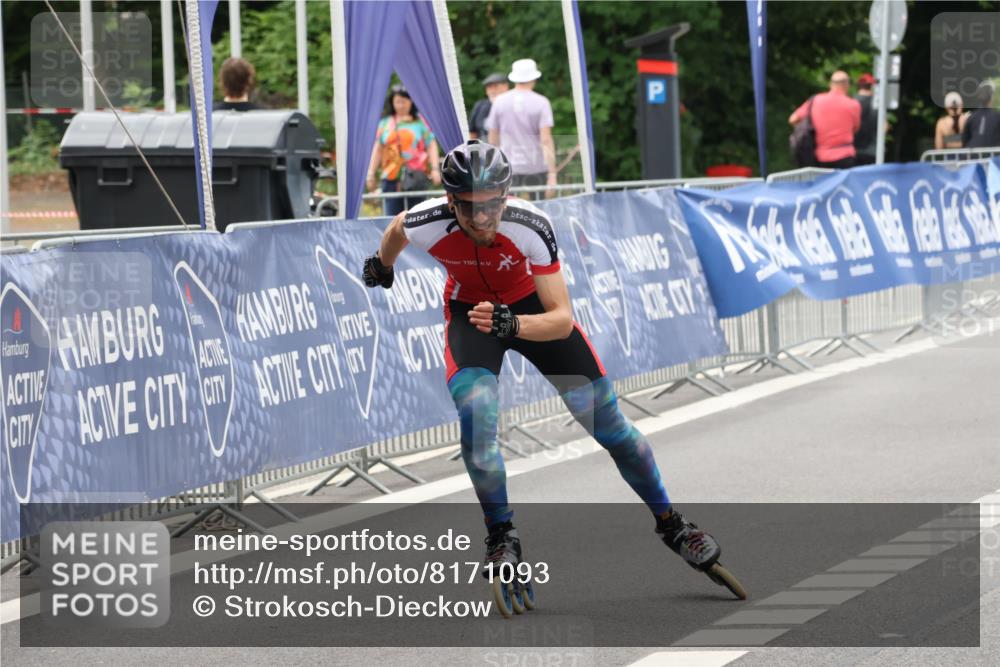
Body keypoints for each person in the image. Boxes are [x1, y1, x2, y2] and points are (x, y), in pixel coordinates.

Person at [361, 140, 723, 582]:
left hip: (533, 312)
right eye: (469, 207)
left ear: (506, 196)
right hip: (472, 315)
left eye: (491, 205)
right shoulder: (428, 220)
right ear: (450, 200)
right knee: (476, 414)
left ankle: (672, 524)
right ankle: (501, 536)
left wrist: (513, 324)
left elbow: (561, 319)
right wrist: (382, 265)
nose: (482, 218)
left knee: (610, 427)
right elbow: (397, 228)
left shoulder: (530, 225)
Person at [486, 59, 557, 200]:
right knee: (538, 206)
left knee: (508, 207)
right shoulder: (542, 102)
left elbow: (493, 140)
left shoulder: (499, 101)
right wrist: (552, 174)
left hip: (508, 166)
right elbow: (546, 140)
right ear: (534, 78)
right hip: (536, 165)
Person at [367, 85, 442, 216]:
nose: (400, 105)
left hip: (416, 176)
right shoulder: (385, 123)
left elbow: (431, 145)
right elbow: (378, 149)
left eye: (404, 102)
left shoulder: (420, 122)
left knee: (417, 216)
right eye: (397, 102)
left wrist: (435, 169)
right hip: (391, 177)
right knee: (392, 217)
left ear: (411, 102)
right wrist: (371, 173)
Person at [789, 71, 862, 168]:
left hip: (820, 157)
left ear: (831, 84)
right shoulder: (854, 104)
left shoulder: (816, 100)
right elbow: (856, 128)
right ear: (847, 85)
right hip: (845, 155)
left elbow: (793, 119)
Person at [469, 73, 509, 140]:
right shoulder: (480, 106)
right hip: (483, 144)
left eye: (496, 86)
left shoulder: (512, 104)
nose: (492, 91)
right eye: (489, 87)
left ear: (505, 87)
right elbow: (472, 131)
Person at [962, 81, 1000, 149]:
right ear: (992, 98)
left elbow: (964, 141)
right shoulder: (997, 117)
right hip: (992, 154)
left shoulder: (971, 117)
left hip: (973, 154)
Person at [853, 73, 877, 165]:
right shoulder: (878, 104)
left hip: (852, 151)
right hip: (873, 151)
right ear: (872, 87)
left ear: (858, 86)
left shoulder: (850, 102)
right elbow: (884, 127)